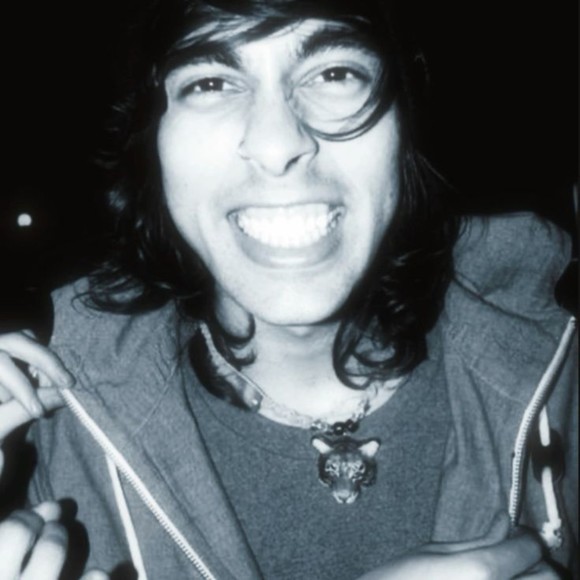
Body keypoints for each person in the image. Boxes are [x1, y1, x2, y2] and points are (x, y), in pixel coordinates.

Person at [0, 0, 577, 578]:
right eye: (209, 83)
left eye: (335, 73)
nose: (277, 146)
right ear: (150, 140)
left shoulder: (562, 365)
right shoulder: (52, 433)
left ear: (407, 119)